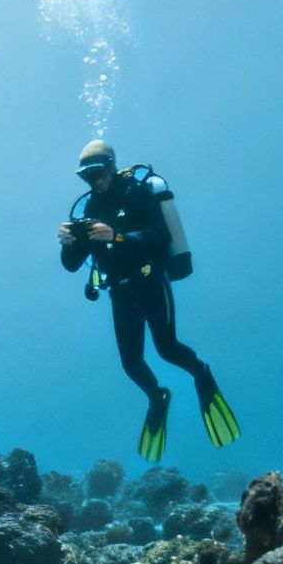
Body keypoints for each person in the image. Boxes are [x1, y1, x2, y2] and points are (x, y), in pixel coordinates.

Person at [58, 139, 238, 461]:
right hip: (120, 292)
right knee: (131, 363)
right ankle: (157, 396)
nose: (94, 181)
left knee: (167, 348)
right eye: (87, 176)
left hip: (150, 282)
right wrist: (69, 243)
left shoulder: (137, 193)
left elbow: (160, 236)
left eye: (98, 172)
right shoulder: (89, 210)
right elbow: (71, 265)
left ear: (111, 167)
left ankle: (201, 374)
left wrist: (116, 235)